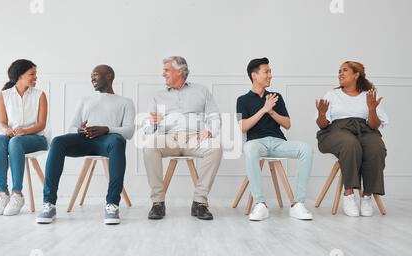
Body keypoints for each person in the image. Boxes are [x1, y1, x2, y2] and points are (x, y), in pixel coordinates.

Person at [36, 65, 135, 225]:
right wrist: (79, 130)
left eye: (95, 75)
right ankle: (49, 204)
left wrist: (106, 129)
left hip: (107, 141)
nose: (92, 78)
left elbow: (129, 132)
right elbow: (71, 127)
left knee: (118, 141)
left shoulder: (125, 102)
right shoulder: (85, 100)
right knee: (57, 142)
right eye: (91, 76)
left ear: (109, 76)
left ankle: (112, 204)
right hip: (84, 140)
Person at [142, 56, 223, 220]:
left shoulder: (201, 91)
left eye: (166, 70)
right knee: (150, 144)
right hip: (168, 138)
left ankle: (199, 202)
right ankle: (158, 203)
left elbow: (215, 116)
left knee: (215, 147)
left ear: (179, 71)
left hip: (195, 137)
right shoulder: (157, 96)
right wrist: (152, 123)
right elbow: (147, 129)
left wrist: (209, 131)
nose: (163, 74)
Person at [237, 57, 313, 221]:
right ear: (255, 75)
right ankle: (260, 204)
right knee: (249, 148)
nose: (270, 75)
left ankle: (297, 204)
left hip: (278, 142)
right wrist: (264, 109)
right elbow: (243, 127)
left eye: (270, 71)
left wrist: (272, 111)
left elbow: (287, 124)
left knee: (306, 149)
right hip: (257, 143)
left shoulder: (275, 97)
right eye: (267, 71)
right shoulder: (242, 100)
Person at [316, 61, 388, 217]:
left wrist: (371, 109)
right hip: (336, 131)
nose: (340, 73)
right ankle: (348, 194)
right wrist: (322, 113)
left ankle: (367, 196)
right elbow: (322, 125)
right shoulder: (332, 94)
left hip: (365, 130)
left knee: (376, 147)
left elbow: (374, 126)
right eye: (339, 71)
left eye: (345, 70)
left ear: (356, 75)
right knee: (350, 144)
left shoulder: (368, 95)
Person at [0, 59, 48, 216]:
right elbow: (2, 122)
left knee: (15, 142)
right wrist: (7, 129)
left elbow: (41, 124)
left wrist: (26, 131)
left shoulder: (40, 95)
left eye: (35, 74)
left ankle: (17, 194)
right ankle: (3, 193)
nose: (35, 77)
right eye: (32, 74)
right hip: (14, 138)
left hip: (36, 139)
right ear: (19, 76)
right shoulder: (4, 96)